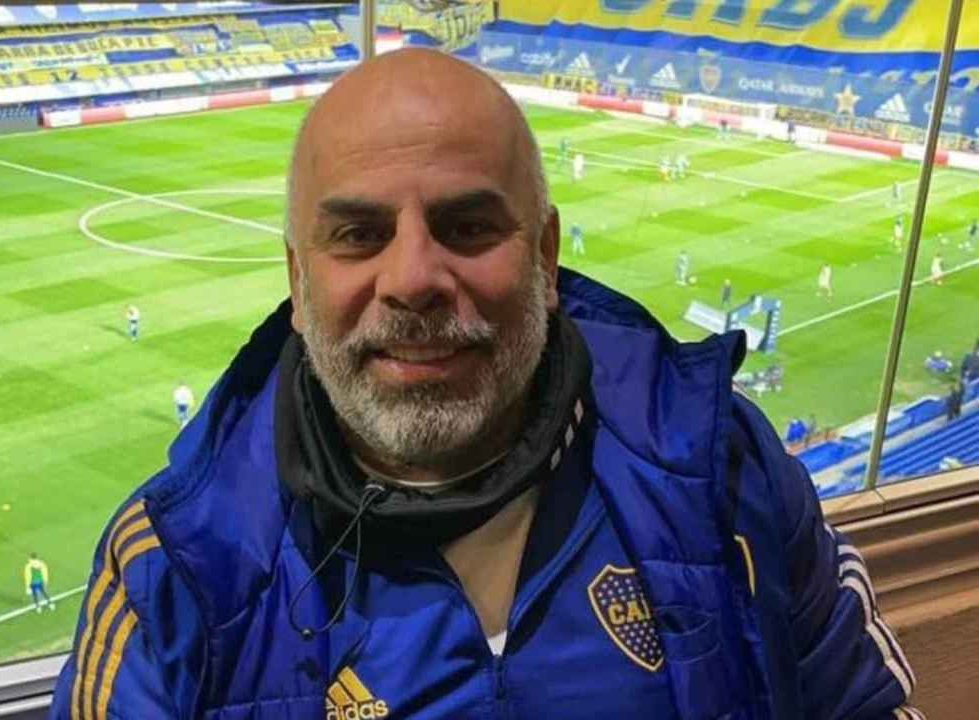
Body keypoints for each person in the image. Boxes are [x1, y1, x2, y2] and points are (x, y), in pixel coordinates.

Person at [51, 49, 920, 719]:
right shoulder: (173, 569)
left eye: (467, 227)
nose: (412, 280)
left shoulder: (721, 471)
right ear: (297, 282)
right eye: (358, 235)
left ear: (545, 257)